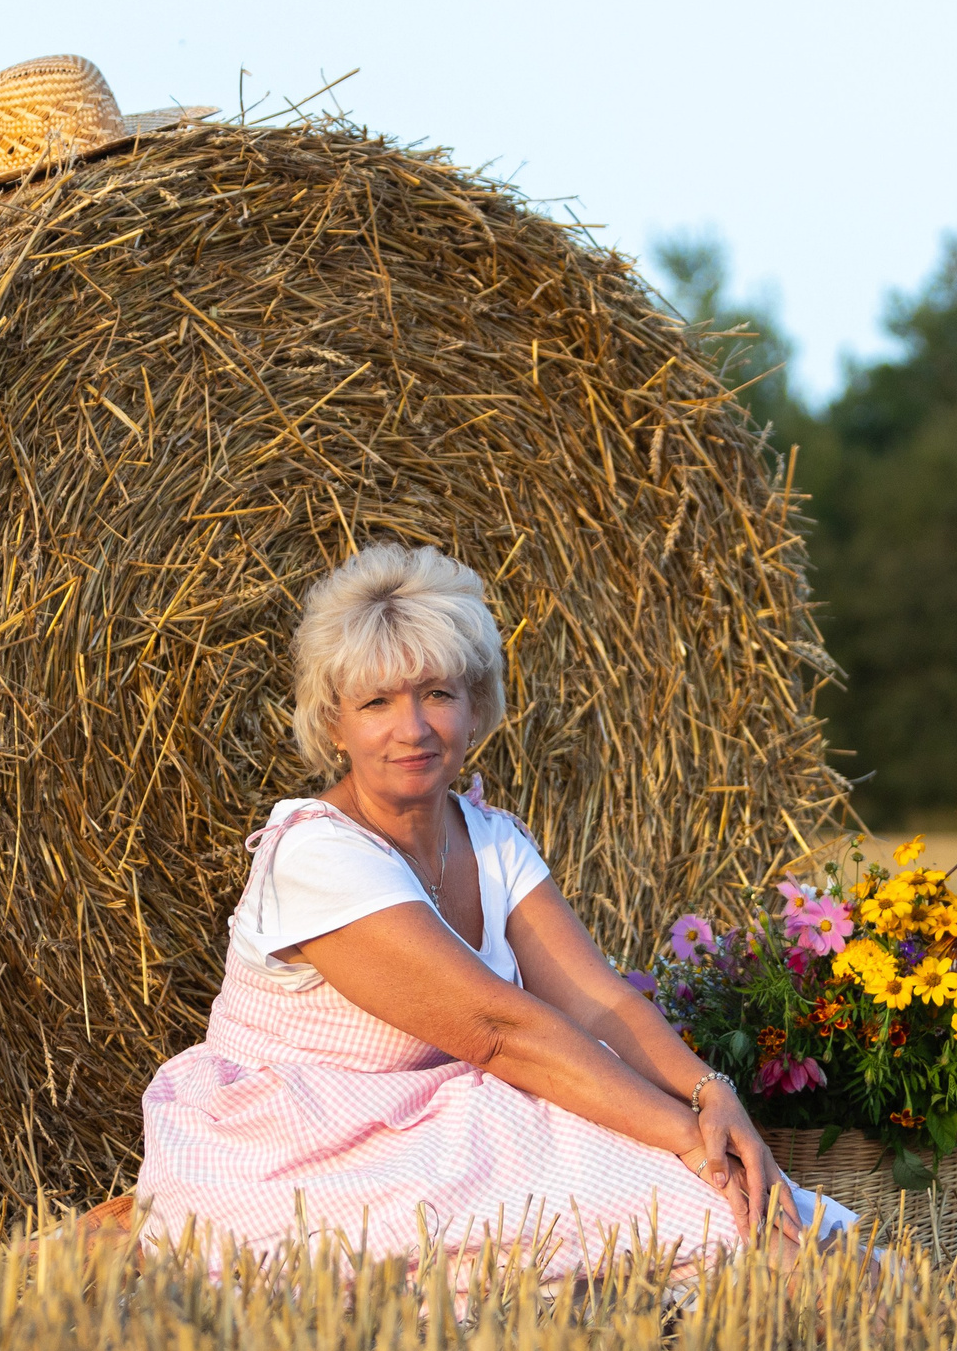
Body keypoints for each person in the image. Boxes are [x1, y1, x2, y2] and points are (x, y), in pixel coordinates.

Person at [134, 543, 857, 1276]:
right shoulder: (317, 855)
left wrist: (711, 1092)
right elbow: (499, 1031)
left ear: (477, 704)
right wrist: (691, 1143)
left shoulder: (492, 839)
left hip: (445, 1131)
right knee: (707, 1207)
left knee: (770, 1223)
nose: (412, 727)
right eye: (377, 701)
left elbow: (600, 1001)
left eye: (437, 694)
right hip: (296, 1146)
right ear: (333, 723)